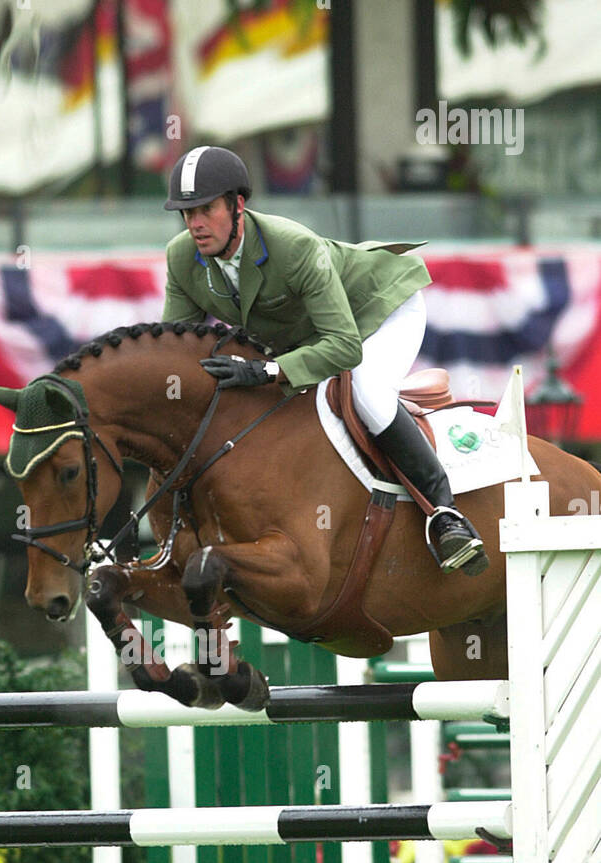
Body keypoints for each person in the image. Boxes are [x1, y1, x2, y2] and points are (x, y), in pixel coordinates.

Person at [161, 145, 488, 575]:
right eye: (186, 213)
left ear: (238, 205)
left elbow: (344, 347)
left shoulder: (292, 246)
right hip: (316, 334)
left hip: (379, 311)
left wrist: (268, 370)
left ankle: (445, 515)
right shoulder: (182, 257)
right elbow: (176, 350)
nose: (195, 225)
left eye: (205, 209)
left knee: (365, 389)